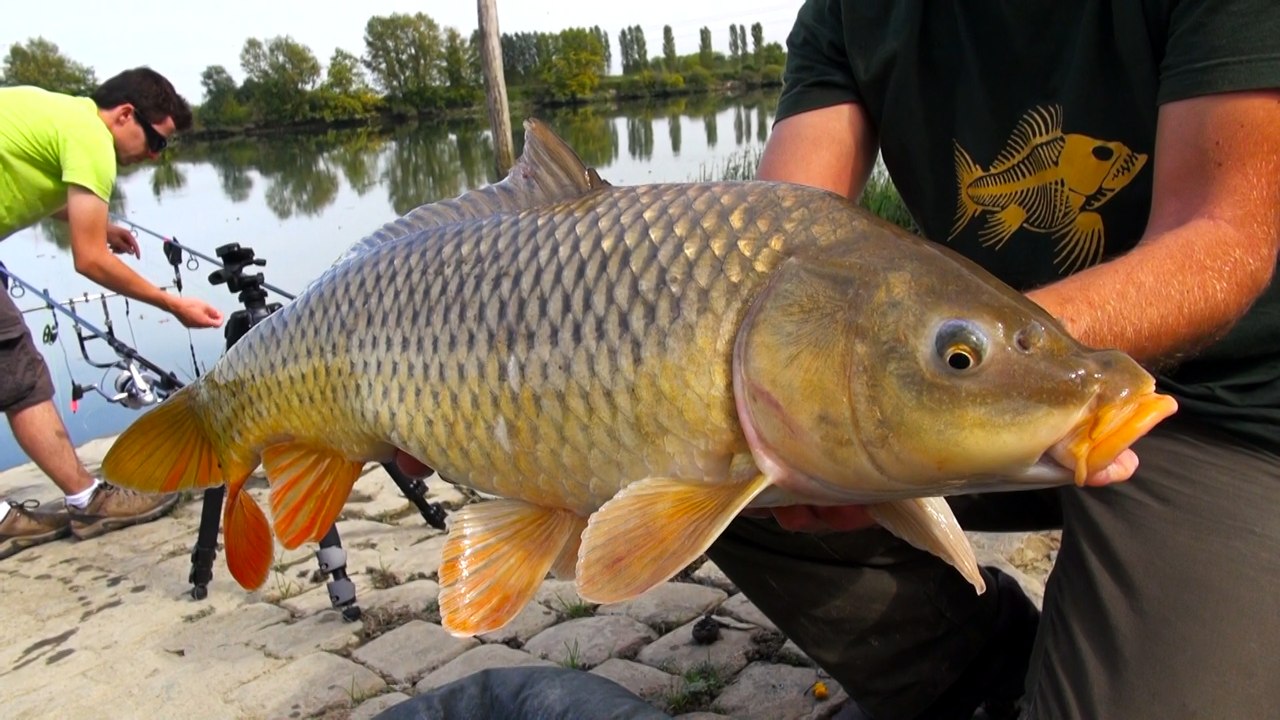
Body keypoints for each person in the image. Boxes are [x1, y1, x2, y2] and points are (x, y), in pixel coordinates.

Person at [698, 2, 1280, 719]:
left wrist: (1018, 362)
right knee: (710, 442)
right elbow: (777, 246)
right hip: (962, 383)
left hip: (1226, 411)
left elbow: (1221, 234)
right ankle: (978, 672)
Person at [0, 67, 224, 560]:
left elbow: (34, 177)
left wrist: (100, 226)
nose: (153, 156)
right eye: (157, 142)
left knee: (14, 374)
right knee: (19, 375)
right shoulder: (93, 142)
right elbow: (89, 260)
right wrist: (173, 303)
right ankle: (89, 501)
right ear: (125, 115)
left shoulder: (64, 115)